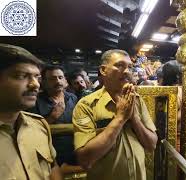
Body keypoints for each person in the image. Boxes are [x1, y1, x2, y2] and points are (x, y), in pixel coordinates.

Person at [72, 49, 158, 180]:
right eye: (119, 65)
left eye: (129, 67)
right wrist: (120, 118)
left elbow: (151, 144)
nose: (127, 71)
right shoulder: (86, 105)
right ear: (103, 70)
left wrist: (134, 118)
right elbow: (85, 159)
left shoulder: (136, 100)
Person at [0, 44, 62, 179]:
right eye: (22, 76)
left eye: (37, 77)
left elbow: (53, 167)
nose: (35, 84)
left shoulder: (39, 125)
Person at [29, 65, 81, 175]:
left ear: (65, 80)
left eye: (60, 77)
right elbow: (30, 131)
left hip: (75, 151)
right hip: (52, 157)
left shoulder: (72, 97)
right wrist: (52, 117)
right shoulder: (35, 101)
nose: (58, 81)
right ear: (44, 82)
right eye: (52, 78)